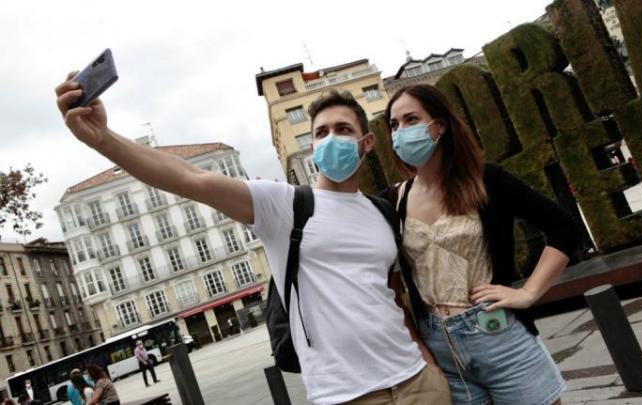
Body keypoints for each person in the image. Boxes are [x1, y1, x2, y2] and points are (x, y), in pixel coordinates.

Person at [55, 73, 451, 404]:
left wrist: (425, 358)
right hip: (347, 395)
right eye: (322, 132)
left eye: (344, 129)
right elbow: (191, 179)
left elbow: (392, 294)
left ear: (366, 143)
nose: (332, 138)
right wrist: (102, 138)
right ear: (312, 144)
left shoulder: (381, 211)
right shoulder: (283, 204)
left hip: (418, 381)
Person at [383, 84, 581, 405]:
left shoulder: (486, 180)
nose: (401, 132)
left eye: (411, 120)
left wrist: (528, 293)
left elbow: (564, 229)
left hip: (496, 333)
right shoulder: (392, 201)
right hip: (438, 346)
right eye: (394, 125)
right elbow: (383, 278)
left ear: (440, 125)